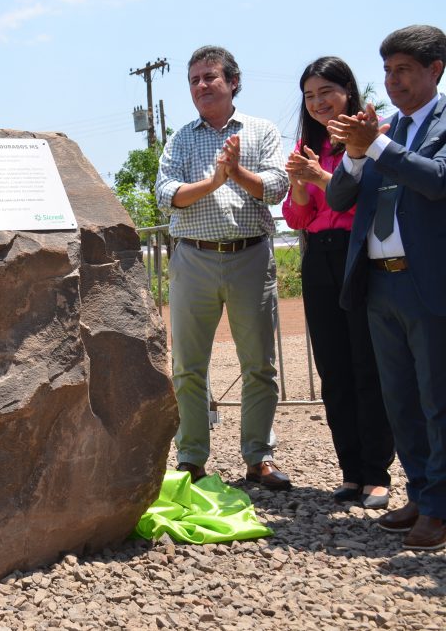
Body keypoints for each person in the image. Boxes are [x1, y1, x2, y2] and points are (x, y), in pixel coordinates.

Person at [326, 25, 446, 551]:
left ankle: (441, 508)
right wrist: (355, 153)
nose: (392, 81)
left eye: (403, 70)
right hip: (380, 284)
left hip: (430, 284)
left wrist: (374, 144)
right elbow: (339, 197)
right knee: (401, 401)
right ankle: (421, 493)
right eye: (387, 71)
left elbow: (437, 180)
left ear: (435, 69)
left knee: (437, 399)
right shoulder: (383, 128)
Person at [155, 46, 290, 489]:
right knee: (188, 366)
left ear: (233, 82)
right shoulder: (181, 138)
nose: (200, 86)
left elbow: (275, 187)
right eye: (193, 80)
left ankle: (258, 457)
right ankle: (192, 457)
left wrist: (236, 174)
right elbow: (165, 193)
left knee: (259, 366)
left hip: (250, 256)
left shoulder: (261, 131)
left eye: (209, 77)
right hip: (192, 257)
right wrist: (214, 181)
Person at [281, 57, 395, 509]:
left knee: (367, 365)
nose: (318, 102)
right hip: (318, 257)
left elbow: (365, 204)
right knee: (333, 369)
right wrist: (301, 184)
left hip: (358, 254)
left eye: (326, 91)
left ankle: (377, 474)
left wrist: (320, 177)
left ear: (348, 90)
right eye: (309, 96)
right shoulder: (308, 145)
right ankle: (350, 472)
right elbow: (297, 216)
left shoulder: (372, 136)